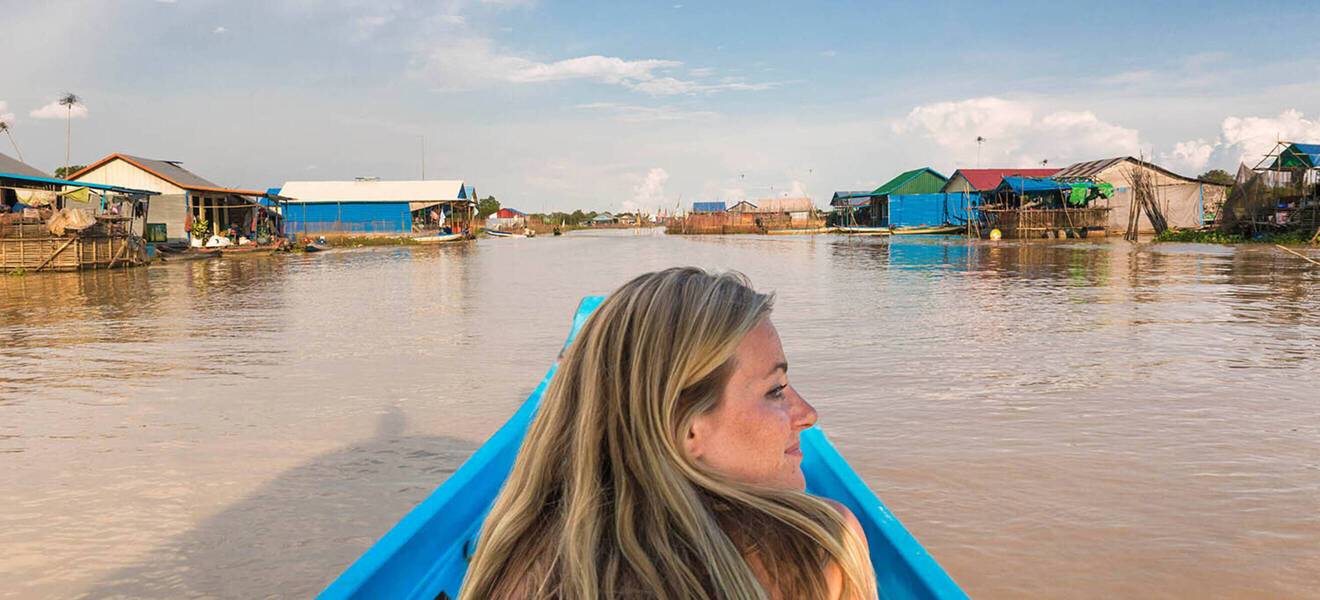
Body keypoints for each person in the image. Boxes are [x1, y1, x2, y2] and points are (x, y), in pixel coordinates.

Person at [460, 267, 876, 599]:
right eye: (775, 390)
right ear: (684, 430)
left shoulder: (513, 561)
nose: (808, 415)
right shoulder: (819, 548)